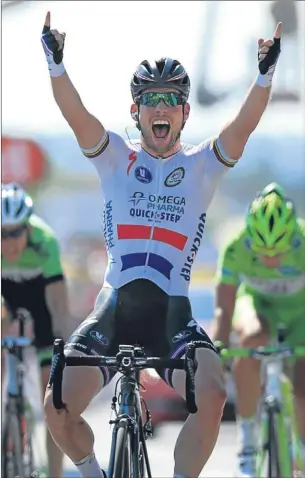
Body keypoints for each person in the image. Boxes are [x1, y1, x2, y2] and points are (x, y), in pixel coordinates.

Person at [41, 9, 282, 477]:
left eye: (172, 99)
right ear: (136, 111)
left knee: (212, 394)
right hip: (113, 313)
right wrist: (55, 64)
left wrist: (264, 75)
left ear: (185, 112)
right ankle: (95, 473)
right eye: (151, 100)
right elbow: (74, 114)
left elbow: (243, 125)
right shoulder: (113, 156)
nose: (161, 107)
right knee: (56, 405)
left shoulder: (202, 165)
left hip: (170, 317)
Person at [211, 182, 305, 477]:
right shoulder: (236, 245)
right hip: (258, 307)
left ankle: (301, 446)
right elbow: (224, 309)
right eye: (262, 252)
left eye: (278, 252)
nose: (270, 260)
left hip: (299, 313)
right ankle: (248, 438)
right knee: (250, 339)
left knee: (303, 381)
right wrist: (219, 347)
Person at [1, 183, 70, 478]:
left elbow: (58, 305)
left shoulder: (46, 242)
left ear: (28, 227)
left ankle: (54, 474)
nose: (9, 241)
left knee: (53, 400)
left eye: (16, 232)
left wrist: (60, 350)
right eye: (2, 233)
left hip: (41, 300)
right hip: (6, 296)